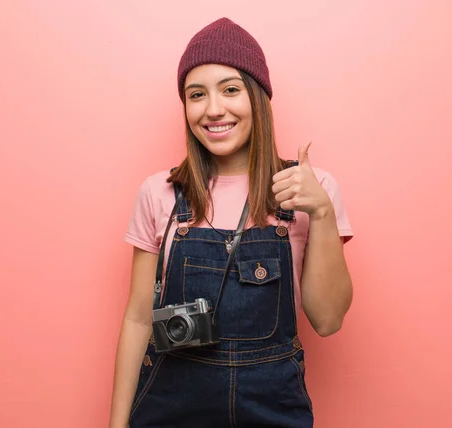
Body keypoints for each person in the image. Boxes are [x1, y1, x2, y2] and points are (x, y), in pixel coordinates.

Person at [109, 17, 354, 428]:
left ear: (257, 98)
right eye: (196, 94)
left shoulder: (309, 189)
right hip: (169, 408)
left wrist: (323, 213)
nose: (213, 109)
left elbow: (327, 321)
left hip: (274, 408)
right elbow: (137, 319)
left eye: (230, 89)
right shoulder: (161, 192)